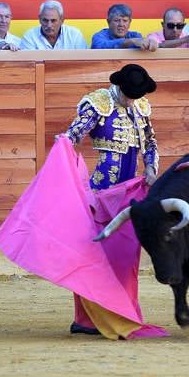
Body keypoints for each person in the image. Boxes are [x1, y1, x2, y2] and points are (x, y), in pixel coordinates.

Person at [61, 63, 159, 337]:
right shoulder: (98, 104)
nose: (132, 100)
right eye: (129, 94)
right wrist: (63, 152)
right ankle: (85, 319)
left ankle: (121, 313)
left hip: (129, 195)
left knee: (125, 257)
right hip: (102, 196)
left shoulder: (140, 107)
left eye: (135, 95)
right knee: (93, 256)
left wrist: (151, 168)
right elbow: (72, 136)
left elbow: (150, 143)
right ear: (118, 87)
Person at [20, 0, 88, 49]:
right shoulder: (30, 36)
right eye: (45, 20)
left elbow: (84, 61)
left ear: (62, 20)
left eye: (53, 21)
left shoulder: (74, 35)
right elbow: (29, 66)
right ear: (39, 19)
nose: (49, 25)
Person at [92, 4, 158, 50]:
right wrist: (130, 42)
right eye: (117, 20)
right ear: (108, 22)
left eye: (125, 21)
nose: (121, 24)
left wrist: (150, 43)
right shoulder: (99, 36)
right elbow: (99, 46)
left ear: (130, 22)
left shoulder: (135, 35)